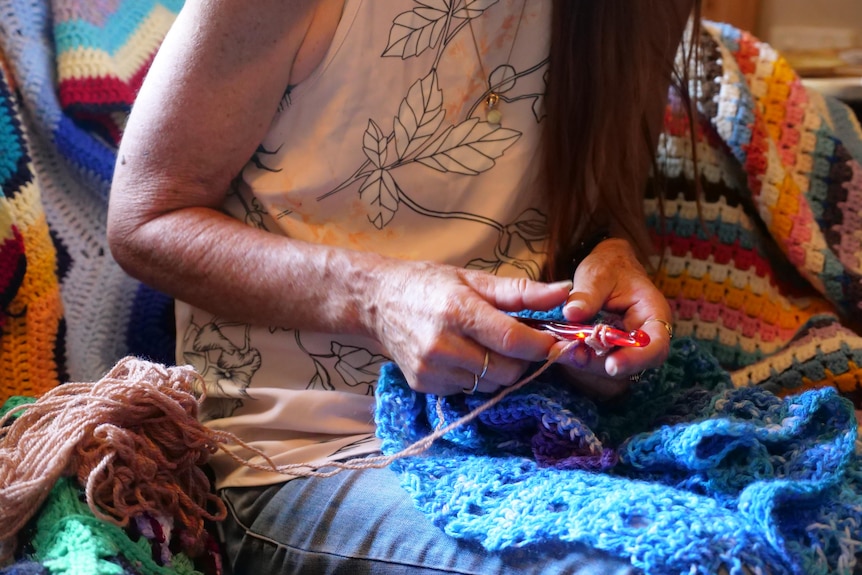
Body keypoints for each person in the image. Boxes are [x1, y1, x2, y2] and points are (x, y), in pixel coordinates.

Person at [107, 0, 697, 572]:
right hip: (307, 456)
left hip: (533, 429)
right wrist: (378, 297)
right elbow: (145, 222)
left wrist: (611, 268)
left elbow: (600, 215)